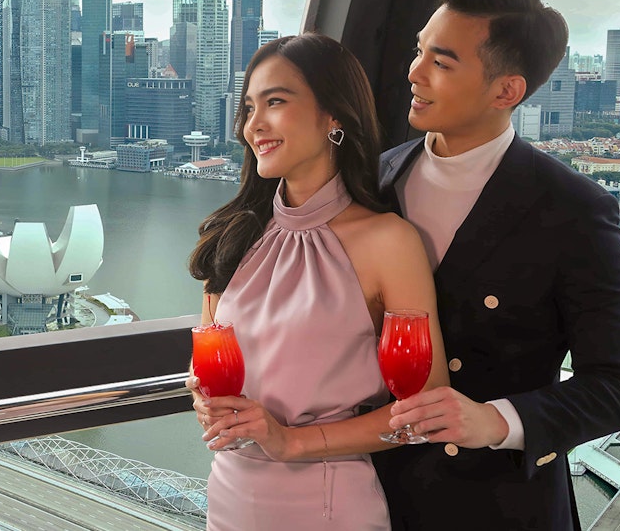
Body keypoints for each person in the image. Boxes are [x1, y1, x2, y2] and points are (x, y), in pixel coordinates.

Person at [374, 0, 620, 529]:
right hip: (368, 494)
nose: (414, 72)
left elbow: (618, 386)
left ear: (507, 90)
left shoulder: (571, 208)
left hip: (497, 508)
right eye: (419, 51)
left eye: (441, 62)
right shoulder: (377, 180)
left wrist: (494, 421)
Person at [186, 33, 448, 530]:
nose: (253, 125)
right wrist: (201, 397)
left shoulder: (387, 241)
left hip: (327, 506)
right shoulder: (234, 235)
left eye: (276, 102)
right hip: (229, 496)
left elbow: (424, 407)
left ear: (334, 116)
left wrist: (290, 441)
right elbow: (206, 362)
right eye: (248, 107)